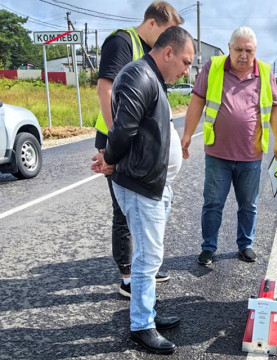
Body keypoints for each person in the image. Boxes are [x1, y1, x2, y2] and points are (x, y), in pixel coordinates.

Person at [91, 26, 195, 354]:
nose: (187, 69)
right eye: (186, 61)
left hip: (154, 183)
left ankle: (147, 311)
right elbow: (122, 131)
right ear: (168, 52)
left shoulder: (153, 77)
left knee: (150, 256)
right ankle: (141, 326)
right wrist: (110, 157)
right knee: (148, 257)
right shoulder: (139, 76)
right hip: (140, 185)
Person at [94, 1, 183, 298]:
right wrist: (113, 148)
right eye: (169, 33)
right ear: (154, 24)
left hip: (136, 142)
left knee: (143, 213)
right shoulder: (123, 42)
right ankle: (128, 275)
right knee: (124, 210)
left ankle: (145, 267)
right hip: (119, 142)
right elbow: (106, 89)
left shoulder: (153, 54)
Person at [181, 26, 277, 266]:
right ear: (229, 48)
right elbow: (197, 100)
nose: (243, 55)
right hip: (218, 154)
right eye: (238, 49)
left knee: (248, 204)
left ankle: (245, 245)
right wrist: (187, 134)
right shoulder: (214, 67)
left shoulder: (266, 72)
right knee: (213, 203)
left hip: (251, 155)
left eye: (249, 50)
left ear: (255, 51)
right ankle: (208, 247)